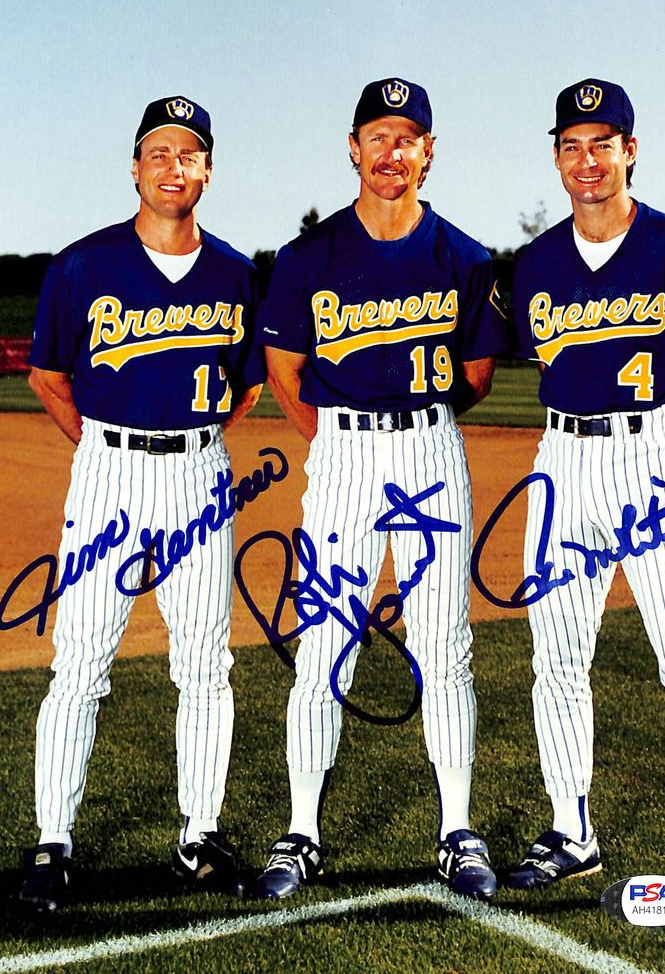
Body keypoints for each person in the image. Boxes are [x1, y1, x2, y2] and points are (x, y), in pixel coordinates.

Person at [256, 77, 510, 901]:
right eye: (378, 135)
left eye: (408, 137)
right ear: (353, 149)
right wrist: (337, 440)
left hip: (431, 452)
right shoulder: (307, 258)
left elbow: (472, 374)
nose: (391, 151)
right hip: (343, 458)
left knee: (444, 648)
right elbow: (286, 372)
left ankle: (457, 830)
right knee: (324, 645)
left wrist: (416, 425)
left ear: (427, 153)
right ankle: (300, 833)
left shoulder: (465, 258)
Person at [503, 78, 665, 924]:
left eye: (601, 143)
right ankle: (571, 831)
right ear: (557, 156)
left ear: (629, 151)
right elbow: (535, 359)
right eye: (570, 145)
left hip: (651, 460)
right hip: (562, 461)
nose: (585, 159)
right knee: (557, 660)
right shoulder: (533, 265)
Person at [18, 96, 264, 913]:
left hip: (198, 471)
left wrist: (193, 445)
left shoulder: (234, 272)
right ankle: (53, 843)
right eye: (157, 152)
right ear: (134, 167)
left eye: (188, 154)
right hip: (109, 474)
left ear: (207, 171)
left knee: (203, 663)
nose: (172, 167)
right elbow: (48, 376)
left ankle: (200, 836)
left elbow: (252, 383)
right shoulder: (82, 265)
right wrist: (99, 448)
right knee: (81, 661)